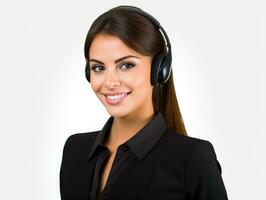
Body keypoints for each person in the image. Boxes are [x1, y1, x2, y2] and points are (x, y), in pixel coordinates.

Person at [59, 5, 228, 200]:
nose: (110, 82)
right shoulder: (75, 150)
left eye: (126, 65)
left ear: (159, 70)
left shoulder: (192, 158)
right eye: (98, 68)